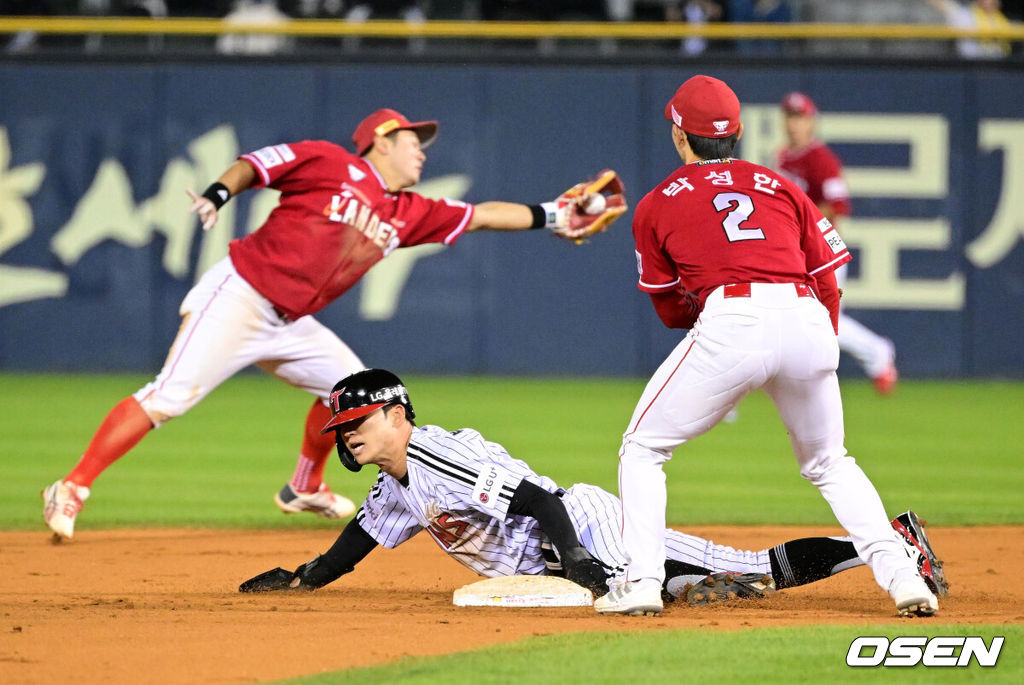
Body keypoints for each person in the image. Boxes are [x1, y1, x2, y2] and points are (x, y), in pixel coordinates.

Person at [41, 108, 620, 541]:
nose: (422, 152)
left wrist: (553, 215)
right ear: (382, 141)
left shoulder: (410, 211)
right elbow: (257, 164)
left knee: (354, 392)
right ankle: (71, 486)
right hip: (240, 294)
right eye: (413, 141)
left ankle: (303, 485)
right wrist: (221, 191)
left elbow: (485, 216)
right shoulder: (329, 161)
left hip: (292, 321)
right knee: (167, 398)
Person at [593, 75, 940, 618]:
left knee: (643, 450)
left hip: (732, 317)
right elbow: (827, 274)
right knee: (830, 460)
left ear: (680, 136)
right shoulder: (777, 184)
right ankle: (903, 578)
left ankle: (640, 584)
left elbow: (668, 309)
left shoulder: (657, 203)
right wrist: (820, 339)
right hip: (805, 315)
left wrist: (722, 330)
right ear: (737, 134)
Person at [237, 368, 948, 607]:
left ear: (396, 414)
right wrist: (303, 579)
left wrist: (580, 560)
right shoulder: (394, 483)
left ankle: (891, 541)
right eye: (341, 426)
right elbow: (357, 541)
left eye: (358, 420)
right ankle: (888, 539)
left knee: (738, 573)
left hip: (579, 523)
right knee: (735, 573)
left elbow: (540, 501)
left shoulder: (436, 454)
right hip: (563, 553)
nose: (347, 434)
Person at [777, 91, 898, 394]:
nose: (794, 124)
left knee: (823, 321)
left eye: (800, 117)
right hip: (796, 251)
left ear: (811, 122)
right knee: (801, 318)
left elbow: (840, 206)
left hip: (823, 251)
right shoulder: (782, 157)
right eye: (790, 117)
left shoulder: (822, 160)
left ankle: (877, 352)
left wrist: (801, 218)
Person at [923, 0, 1012, 59]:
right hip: (970, 67)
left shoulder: (1002, 20)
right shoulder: (966, 16)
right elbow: (946, 6)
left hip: (997, 67)